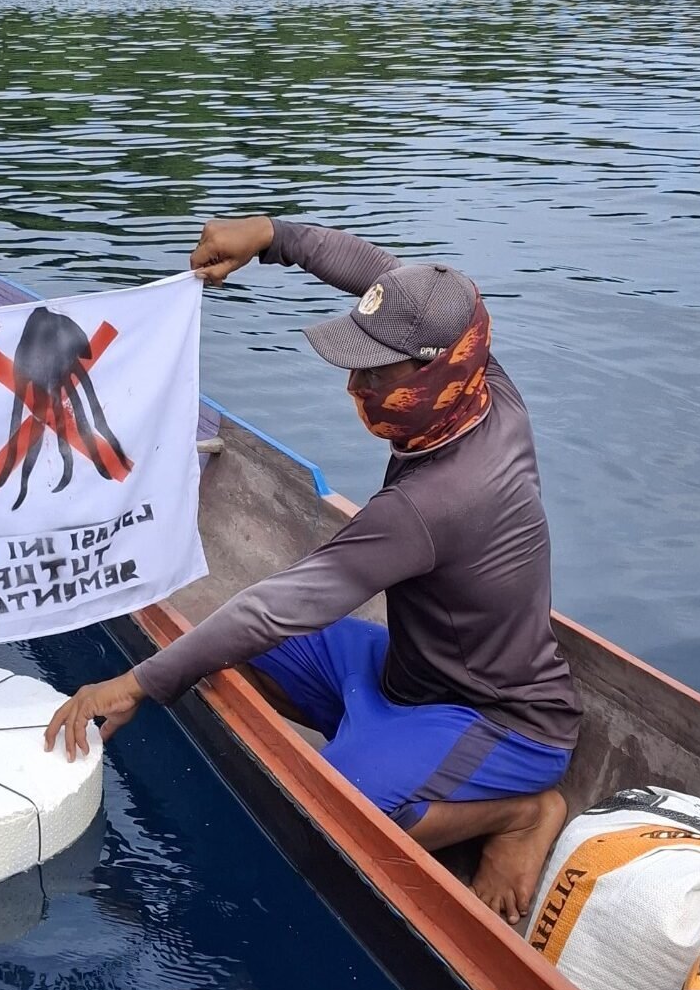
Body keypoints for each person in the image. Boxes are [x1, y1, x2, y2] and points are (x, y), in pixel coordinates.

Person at [44, 217, 581, 925]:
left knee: (336, 811)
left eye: (374, 370)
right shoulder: (480, 376)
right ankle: (379, 742)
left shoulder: (437, 501)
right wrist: (269, 236)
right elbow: (374, 271)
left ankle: (517, 815)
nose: (355, 382)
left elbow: (281, 605)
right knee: (238, 649)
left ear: (434, 370)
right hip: (408, 677)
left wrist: (136, 683)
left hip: (499, 719)